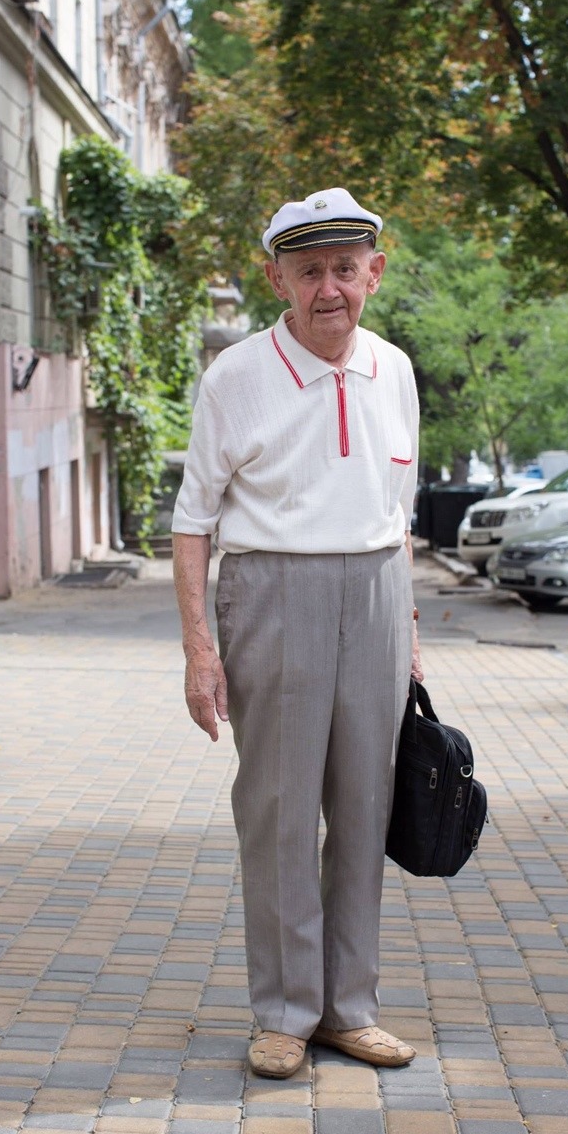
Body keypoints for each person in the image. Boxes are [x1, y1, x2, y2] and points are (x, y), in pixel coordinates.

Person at [172, 186, 422, 1079]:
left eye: (344, 269)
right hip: (272, 591)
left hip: (377, 592)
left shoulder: (394, 369)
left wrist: (409, 629)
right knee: (279, 810)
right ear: (276, 279)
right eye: (308, 271)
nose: (329, 290)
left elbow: (398, 509)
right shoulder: (235, 377)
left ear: (374, 274)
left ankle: (348, 1009)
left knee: (364, 807)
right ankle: (283, 1013)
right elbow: (193, 522)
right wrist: (200, 651)